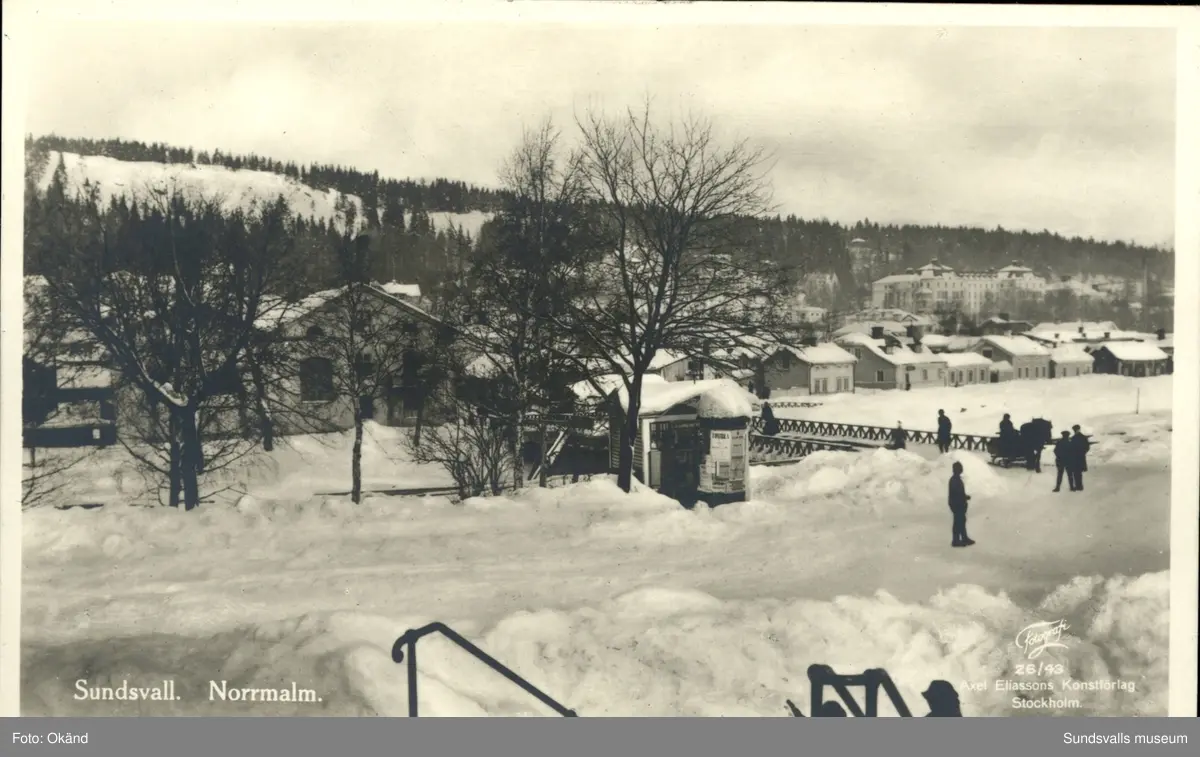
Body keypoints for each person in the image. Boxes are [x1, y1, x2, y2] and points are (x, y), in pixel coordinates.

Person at [948, 461, 974, 547]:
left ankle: (964, 538)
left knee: (962, 521)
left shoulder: (957, 479)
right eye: (960, 468)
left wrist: (965, 497)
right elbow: (957, 493)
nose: (961, 470)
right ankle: (955, 540)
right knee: (958, 522)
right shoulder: (954, 480)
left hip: (959, 503)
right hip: (956, 504)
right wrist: (963, 498)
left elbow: (959, 493)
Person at [1069, 424, 1091, 492]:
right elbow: (1087, 447)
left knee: (1077, 472)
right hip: (1078, 457)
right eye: (1074, 430)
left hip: (1078, 457)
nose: (1075, 431)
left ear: (1078, 429)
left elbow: (1087, 447)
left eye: (1075, 430)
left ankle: (1079, 486)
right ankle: (1079, 486)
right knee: (1077, 472)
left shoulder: (1079, 438)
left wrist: (1082, 452)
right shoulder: (1081, 437)